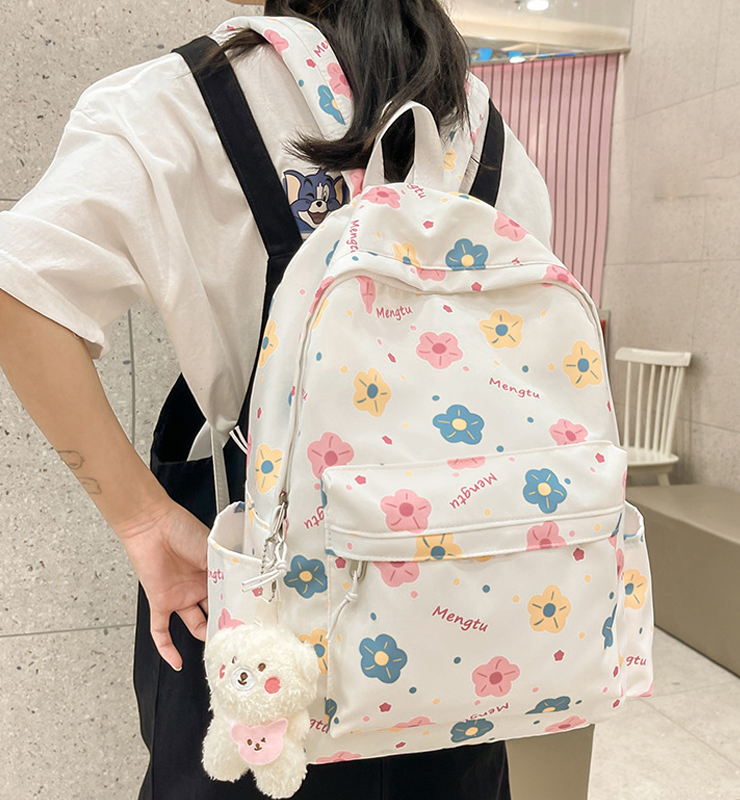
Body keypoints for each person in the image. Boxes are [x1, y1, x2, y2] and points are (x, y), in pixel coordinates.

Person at [0, 0, 594, 797]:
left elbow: (19, 288)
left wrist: (141, 519)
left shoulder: (193, 96)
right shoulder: (481, 129)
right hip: (458, 619)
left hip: (263, 618)